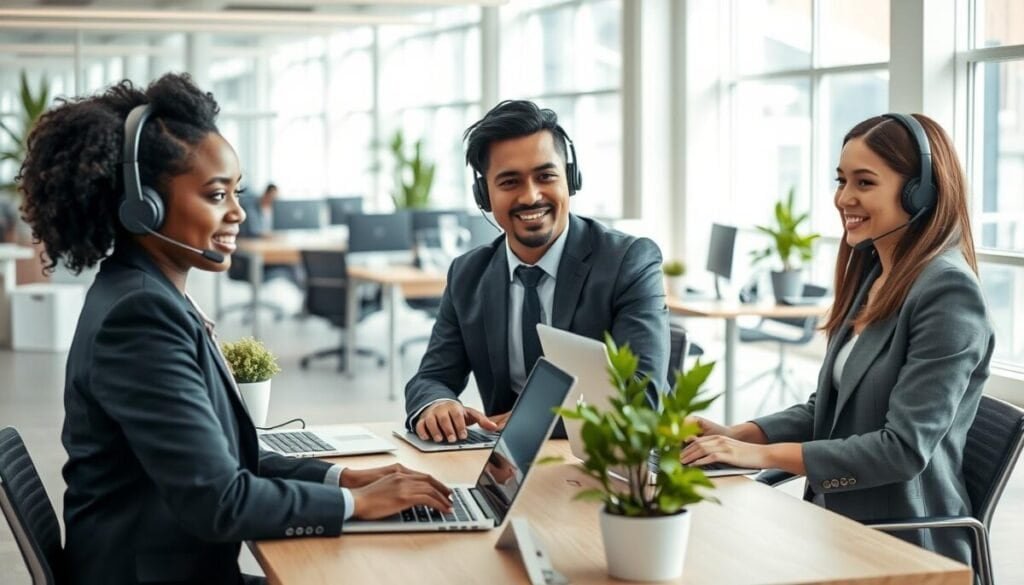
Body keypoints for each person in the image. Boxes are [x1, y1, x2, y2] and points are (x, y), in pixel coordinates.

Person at [18, 73, 451, 585]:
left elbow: (220, 460)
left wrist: (342, 477)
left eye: (236, 192)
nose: (239, 212)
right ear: (143, 207)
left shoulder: (145, 293)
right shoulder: (139, 318)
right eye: (216, 194)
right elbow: (220, 501)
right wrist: (355, 503)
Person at [680, 113, 994, 566]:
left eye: (864, 183)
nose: (844, 197)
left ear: (920, 192)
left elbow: (902, 451)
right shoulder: (873, 274)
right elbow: (827, 408)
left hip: (904, 542)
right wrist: (738, 435)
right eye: (841, 180)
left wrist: (760, 454)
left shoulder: (947, 292)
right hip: (837, 522)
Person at [405, 100, 669, 443]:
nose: (531, 196)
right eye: (509, 182)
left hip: (599, 463)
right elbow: (431, 377)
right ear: (484, 195)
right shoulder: (468, 274)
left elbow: (642, 399)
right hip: (503, 469)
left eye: (545, 176)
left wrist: (533, 420)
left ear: (570, 180)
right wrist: (437, 404)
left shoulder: (628, 262)